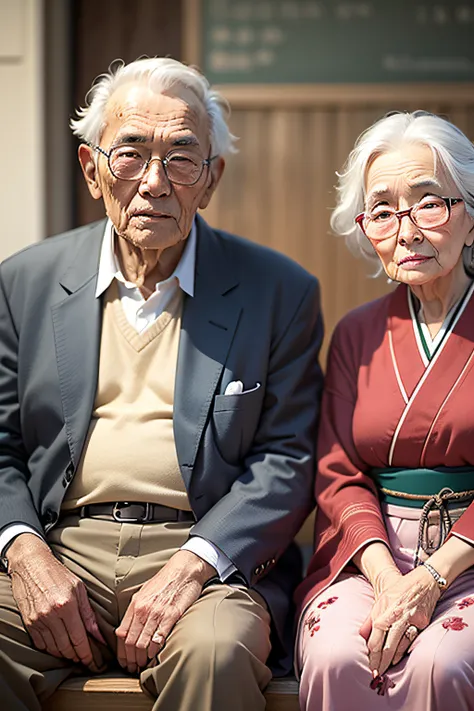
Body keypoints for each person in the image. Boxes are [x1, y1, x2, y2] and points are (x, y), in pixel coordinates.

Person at [0, 57, 323, 711]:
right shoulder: (24, 282)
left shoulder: (279, 291)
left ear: (210, 180)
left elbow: (287, 458)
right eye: (130, 155)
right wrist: (26, 554)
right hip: (62, 545)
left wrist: (194, 563)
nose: (153, 182)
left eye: (181, 158)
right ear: (92, 169)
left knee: (216, 655)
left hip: (206, 559)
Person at [296, 110, 474, 711]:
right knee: (335, 655)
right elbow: (337, 472)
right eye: (383, 211)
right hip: (371, 558)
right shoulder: (357, 335)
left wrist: (433, 577)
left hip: (469, 557)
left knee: (445, 662)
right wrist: (389, 577)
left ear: (470, 216)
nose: (407, 229)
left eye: (429, 203)